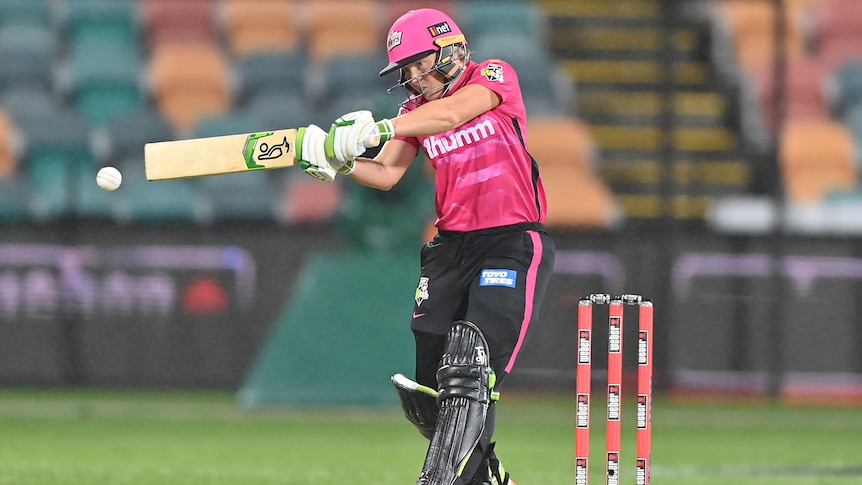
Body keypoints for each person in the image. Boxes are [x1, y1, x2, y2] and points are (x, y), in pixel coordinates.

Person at [295, 7, 555, 485]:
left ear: (451, 49)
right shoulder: (413, 112)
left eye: (420, 64)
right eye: (407, 72)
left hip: (509, 241)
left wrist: (378, 128)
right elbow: (387, 173)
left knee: (471, 363)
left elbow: (454, 113)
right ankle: (487, 474)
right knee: (435, 389)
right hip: (450, 249)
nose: (415, 78)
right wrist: (336, 161)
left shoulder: (494, 77)